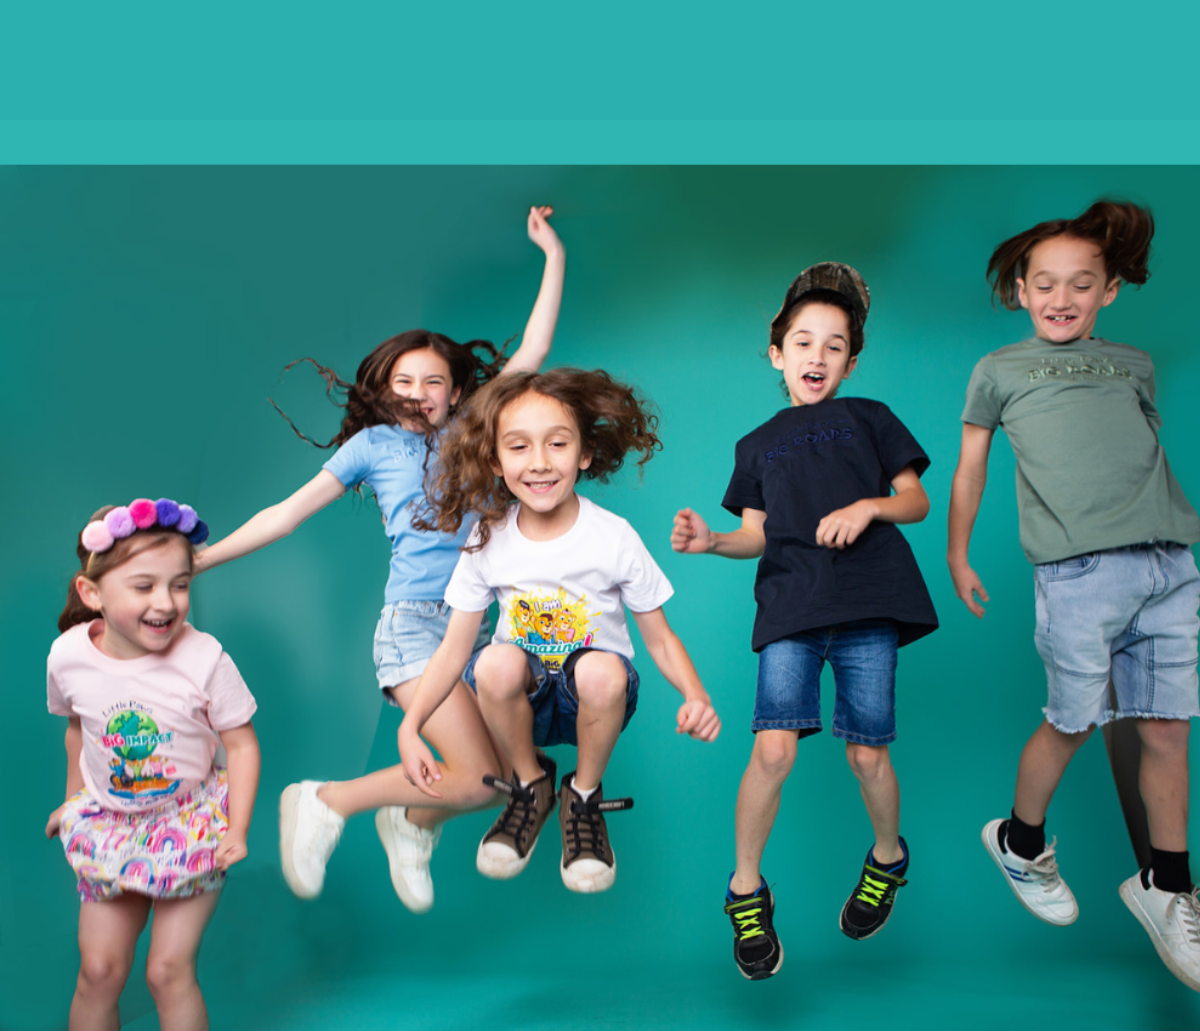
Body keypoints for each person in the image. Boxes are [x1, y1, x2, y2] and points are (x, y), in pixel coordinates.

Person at [194, 206, 564, 914]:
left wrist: (551, 254)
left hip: (486, 627)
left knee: (487, 782)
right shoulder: (369, 449)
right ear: (384, 388)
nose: (419, 393)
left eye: (433, 382)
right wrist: (208, 559)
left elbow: (533, 352)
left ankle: (410, 820)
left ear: (456, 391)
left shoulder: (477, 426)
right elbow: (288, 513)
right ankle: (328, 800)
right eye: (404, 380)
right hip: (416, 625)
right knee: (477, 776)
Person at [948, 199, 1200, 991]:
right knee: (1075, 722)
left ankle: (1167, 885)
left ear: (1109, 292)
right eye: (1046, 283)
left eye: (1082, 284)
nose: (1063, 297)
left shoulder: (1132, 364)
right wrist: (958, 554)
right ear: (1021, 289)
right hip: (1080, 575)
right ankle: (1020, 843)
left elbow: (1138, 450)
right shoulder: (998, 371)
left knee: (1167, 732)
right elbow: (970, 470)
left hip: (1169, 564)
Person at [672, 263, 937, 980]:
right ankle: (745, 890)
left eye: (834, 345)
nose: (816, 356)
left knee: (866, 755)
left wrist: (868, 506)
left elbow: (915, 501)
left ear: (851, 359)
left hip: (867, 605)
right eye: (802, 342)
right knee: (773, 752)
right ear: (776, 353)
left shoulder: (870, 418)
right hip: (791, 608)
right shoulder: (756, 445)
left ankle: (888, 858)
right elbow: (757, 534)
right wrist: (712, 542)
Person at [398, 368, 720, 894]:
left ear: (584, 454)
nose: (540, 462)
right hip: (520, 702)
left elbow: (659, 637)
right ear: (496, 462)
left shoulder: (612, 537)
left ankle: (585, 796)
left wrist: (696, 694)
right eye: (519, 447)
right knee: (494, 659)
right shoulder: (488, 538)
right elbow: (455, 649)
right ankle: (531, 784)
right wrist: (410, 726)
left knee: (598, 667)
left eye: (557, 444)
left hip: (597, 698)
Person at [46, 499, 259, 1031]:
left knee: (167, 971)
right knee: (98, 970)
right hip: (109, 826)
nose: (166, 601)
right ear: (91, 593)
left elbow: (243, 747)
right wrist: (73, 800)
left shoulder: (205, 658)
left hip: (189, 825)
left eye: (180, 584)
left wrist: (237, 829)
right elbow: (79, 730)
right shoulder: (68, 656)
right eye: (144, 586)